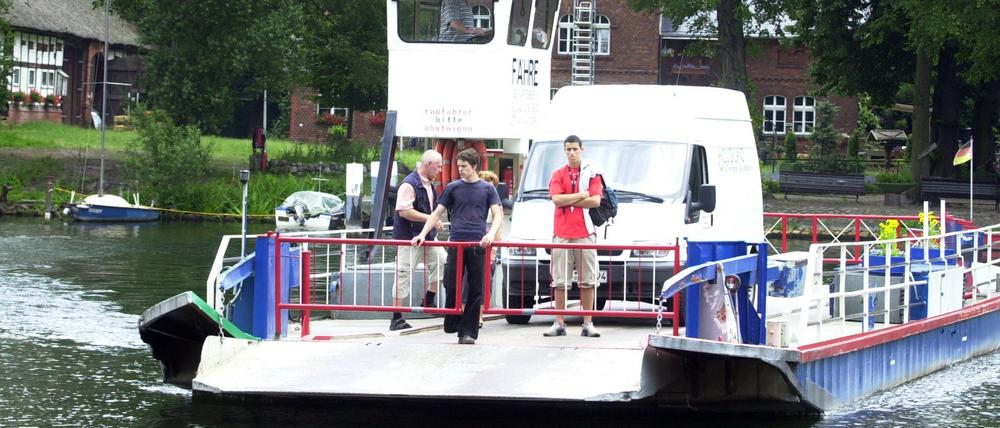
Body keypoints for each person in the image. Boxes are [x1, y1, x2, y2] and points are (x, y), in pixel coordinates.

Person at [413, 148, 502, 345]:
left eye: (464, 166)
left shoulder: (488, 189)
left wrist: (490, 234)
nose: (460, 170)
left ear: (475, 167)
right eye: (458, 166)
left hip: (478, 244)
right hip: (456, 242)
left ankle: (468, 331)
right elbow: (437, 213)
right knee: (450, 283)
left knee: (475, 288)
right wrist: (422, 234)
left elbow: (498, 214)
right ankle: (453, 319)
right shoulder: (453, 187)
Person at [545, 135, 603, 338]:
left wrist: (569, 200)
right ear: (564, 151)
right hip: (562, 232)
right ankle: (559, 322)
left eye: (575, 149)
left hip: (585, 232)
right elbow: (557, 199)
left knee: (588, 280)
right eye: (568, 149)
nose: (571, 153)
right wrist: (581, 195)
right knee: (560, 281)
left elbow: (595, 201)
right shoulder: (557, 173)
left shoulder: (592, 173)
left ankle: (588, 322)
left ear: (582, 149)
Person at [389, 150, 447, 331]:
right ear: (428, 164)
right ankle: (396, 317)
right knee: (404, 273)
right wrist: (430, 218)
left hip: (427, 237)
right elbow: (404, 211)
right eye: (438, 166)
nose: (439, 170)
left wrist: (431, 222)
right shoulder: (409, 184)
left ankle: (429, 299)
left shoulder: (430, 184)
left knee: (443, 261)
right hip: (408, 238)